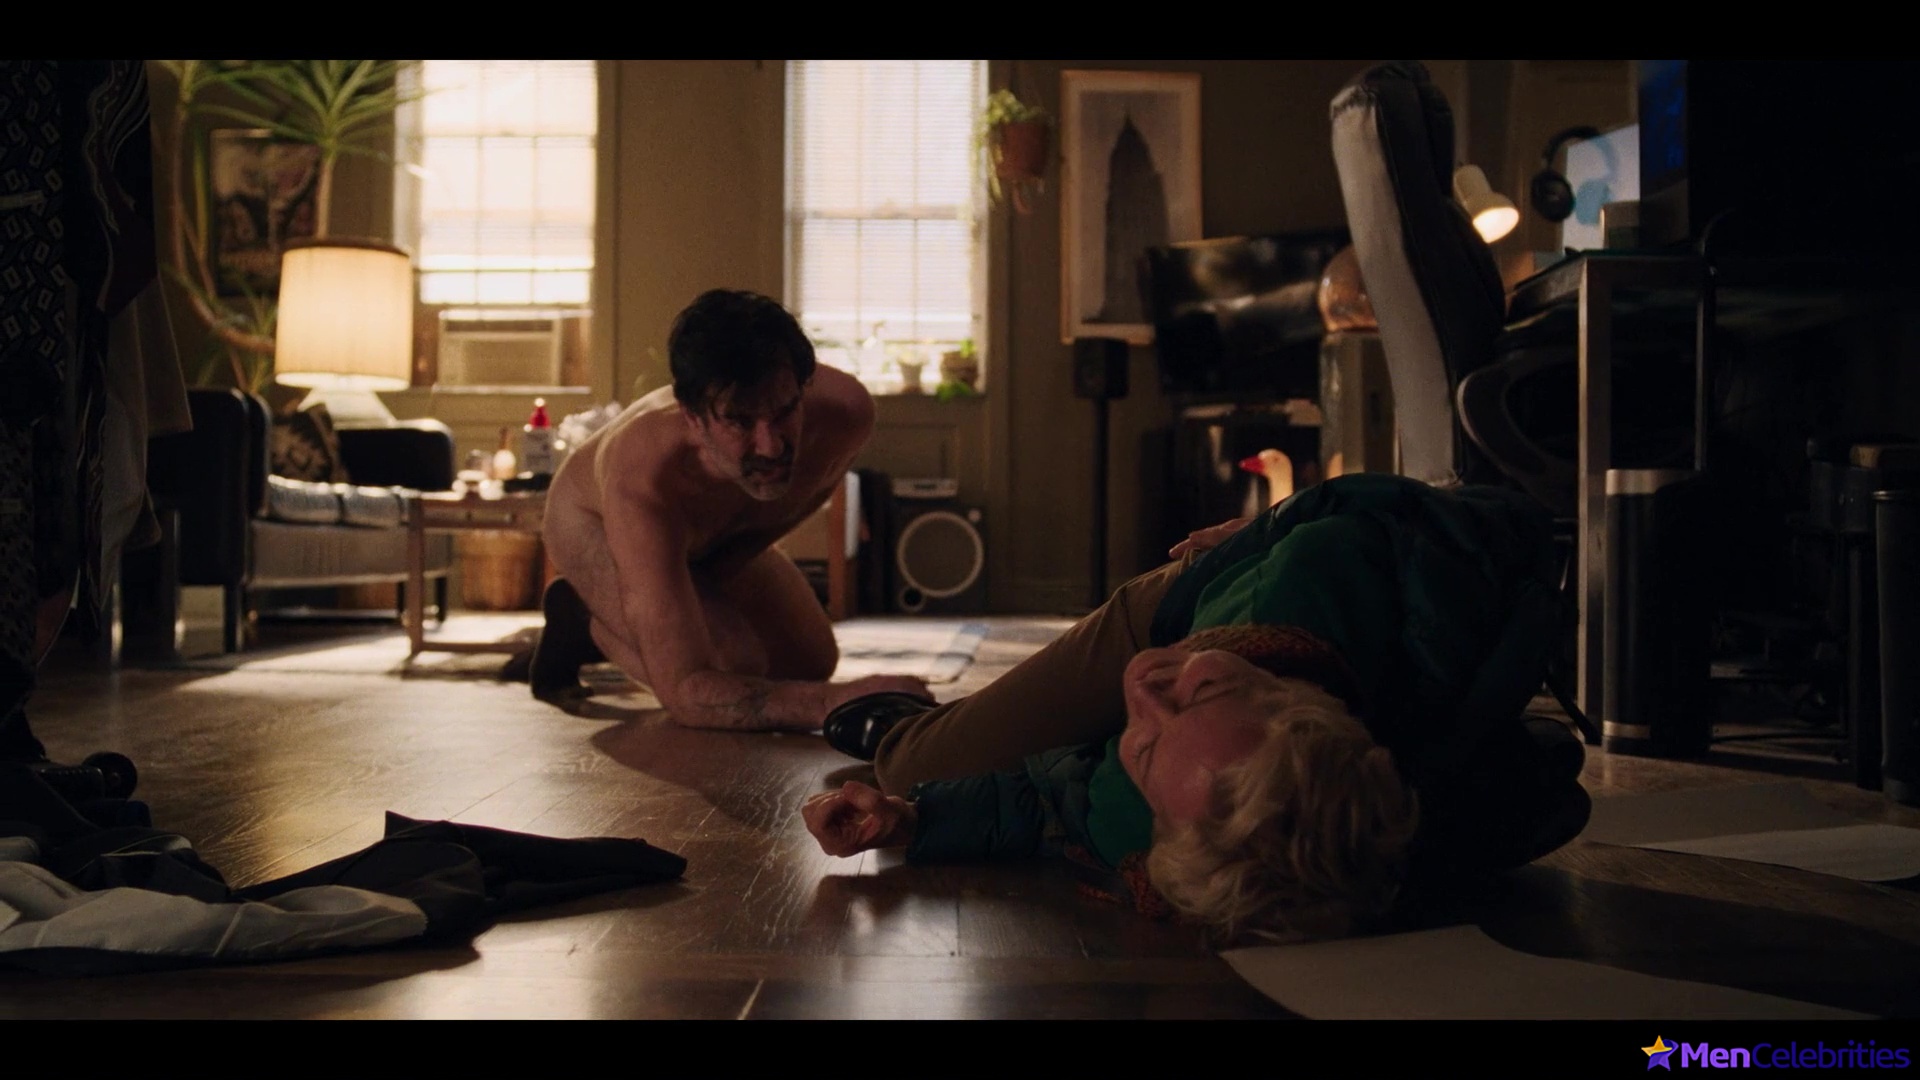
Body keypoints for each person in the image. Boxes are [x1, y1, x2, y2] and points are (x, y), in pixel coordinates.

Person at [805, 473, 1591, 941]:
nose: (1142, 689)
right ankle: (922, 712)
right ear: (1292, 688)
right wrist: (1270, 529)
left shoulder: (1145, 820)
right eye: (1207, 691)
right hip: (1192, 604)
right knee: (909, 748)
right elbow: (1499, 521)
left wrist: (912, 819)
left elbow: (1049, 802)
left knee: (905, 773)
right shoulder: (1326, 571)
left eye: (1144, 748)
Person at [531, 289, 929, 729]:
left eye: (784, 412)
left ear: (802, 387)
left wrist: (717, 574)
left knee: (812, 662)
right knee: (734, 666)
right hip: (593, 525)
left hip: (707, 537)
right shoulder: (643, 479)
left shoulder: (846, 413)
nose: (771, 446)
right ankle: (583, 615)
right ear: (692, 416)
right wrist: (834, 703)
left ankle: (639, 613)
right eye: (740, 421)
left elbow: (788, 505)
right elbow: (688, 691)